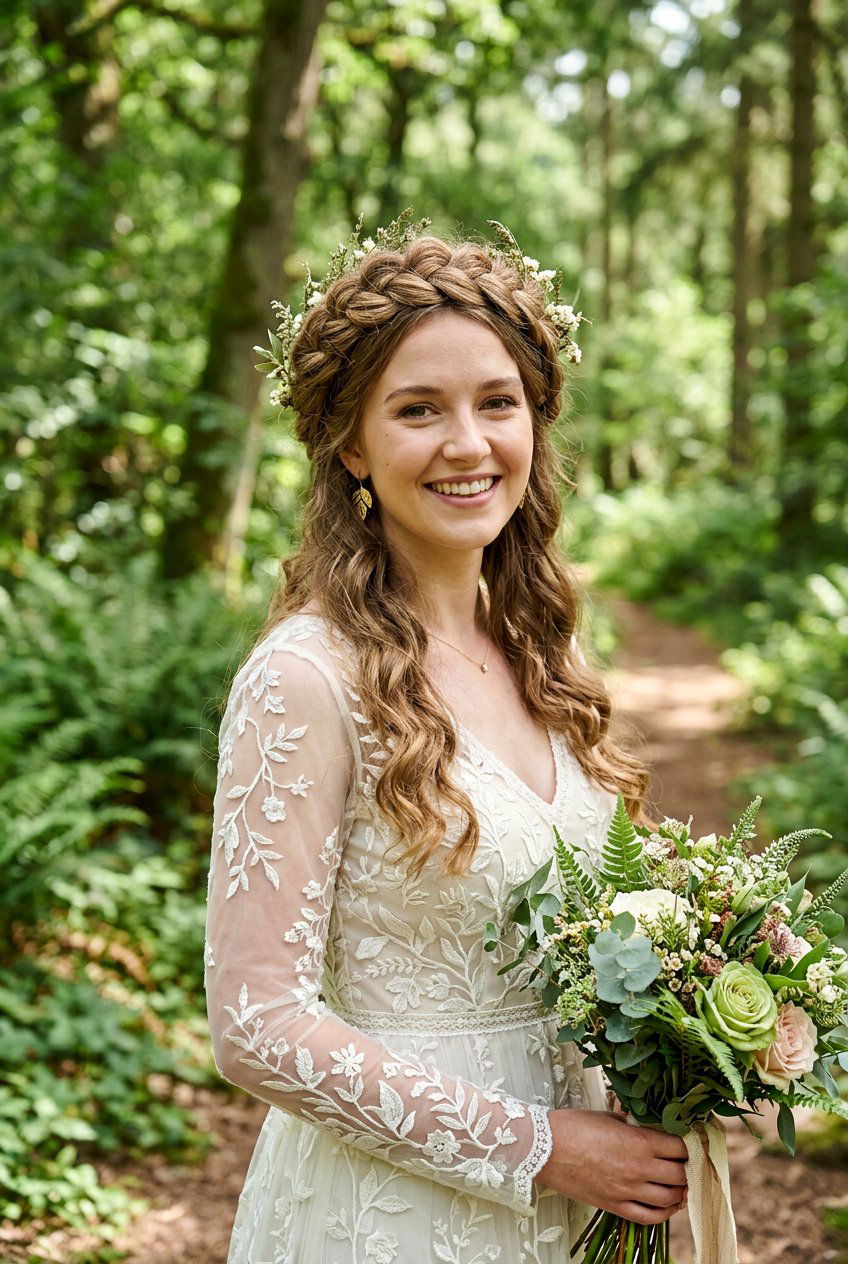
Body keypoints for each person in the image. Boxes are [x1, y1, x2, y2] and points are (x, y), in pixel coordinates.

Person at [204, 218, 689, 1263]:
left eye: (496, 403)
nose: (467, 444)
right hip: (390, 1218)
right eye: (418, 409)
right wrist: (535, 1147)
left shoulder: (544, 652)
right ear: (351, 444)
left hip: (580, 1211)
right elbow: (255, 1024)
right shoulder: (304, 678)